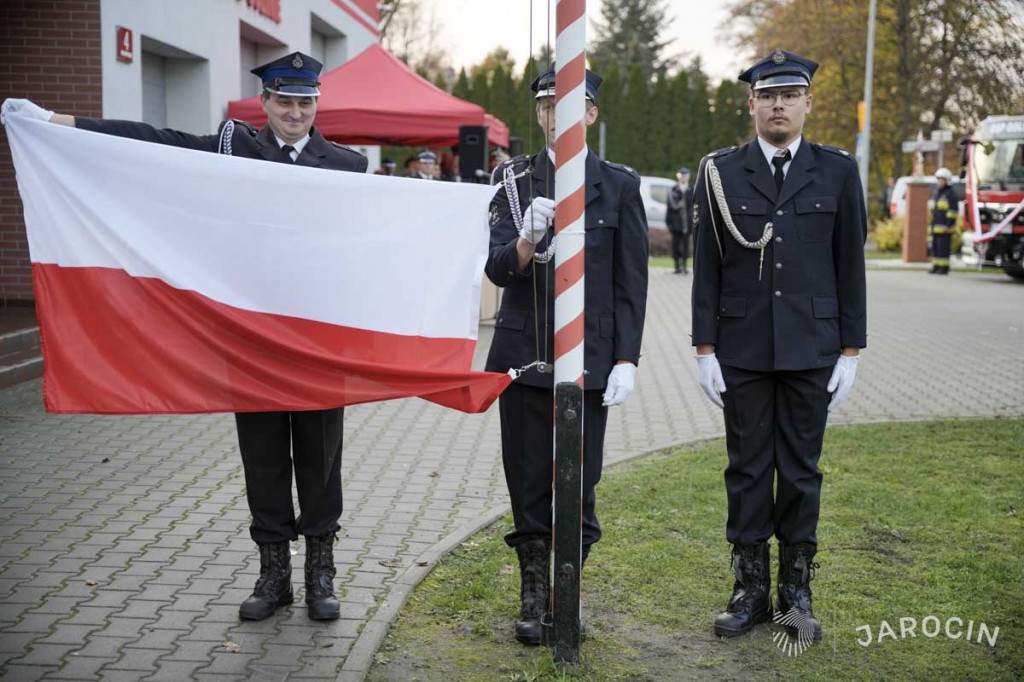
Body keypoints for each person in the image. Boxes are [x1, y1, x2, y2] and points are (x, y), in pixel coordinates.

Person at [1, 52, 367, 623]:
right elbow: (149, 141)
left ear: (316, 103)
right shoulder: (230, 149)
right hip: (248, 337)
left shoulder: (348, 165)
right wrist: (55, 124)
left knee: (320, 461)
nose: (296, 112)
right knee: (264, 458)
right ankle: (274, 576)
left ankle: (321, 572)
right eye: (285, 100)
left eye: (306, 101)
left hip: (317, 341)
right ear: (265, 102)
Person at [690, 49, 866, 642]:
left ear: (807, 103)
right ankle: (748, 592)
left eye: (790, 95)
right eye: (768, 96)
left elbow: (850, 266)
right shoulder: (719, 171)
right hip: (740, 349)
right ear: (752, 105)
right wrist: (704, 348)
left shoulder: (838, 170)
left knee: (799, 473)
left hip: (812, 350)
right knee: (745, 470)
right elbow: (706, 267)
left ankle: (796, 596)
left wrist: (851, 351)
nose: (779, 105)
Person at [485, 66, 648, 645]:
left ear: (594, 114)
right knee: (528, 480)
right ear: (540, 114)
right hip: (525, 356)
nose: (561, 114)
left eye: (574, 104)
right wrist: (526, 242)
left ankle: (567, 589)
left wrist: (627, 357)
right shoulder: (512, 181)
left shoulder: (620, 186)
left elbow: (632, 283)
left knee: (580, 482)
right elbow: (496, 267)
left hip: (591, 361)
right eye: (550, 105)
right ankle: (533, 593)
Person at [929, 168, 958, 274]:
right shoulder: (938, 193)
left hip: (945, 228)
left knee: (943, 249)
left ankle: (944, 268)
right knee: (935, 248)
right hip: (936, 227)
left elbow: (952, 211)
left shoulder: (950, 194)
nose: (939, 182)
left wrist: (948, 225)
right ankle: (936, 266)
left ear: (947, 181)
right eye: (938, 180)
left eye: (942, 180)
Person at [666, 167, 694, 273]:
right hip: (676, 223)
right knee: (676, 245)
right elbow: (670, 207)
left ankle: (685, 266)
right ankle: (677, 266)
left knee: (686, 246)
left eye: (685, 175)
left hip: (687, 224)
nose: (683, 178)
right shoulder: (673, 189)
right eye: (681, 175)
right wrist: (668, 222)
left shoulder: (692, 189)